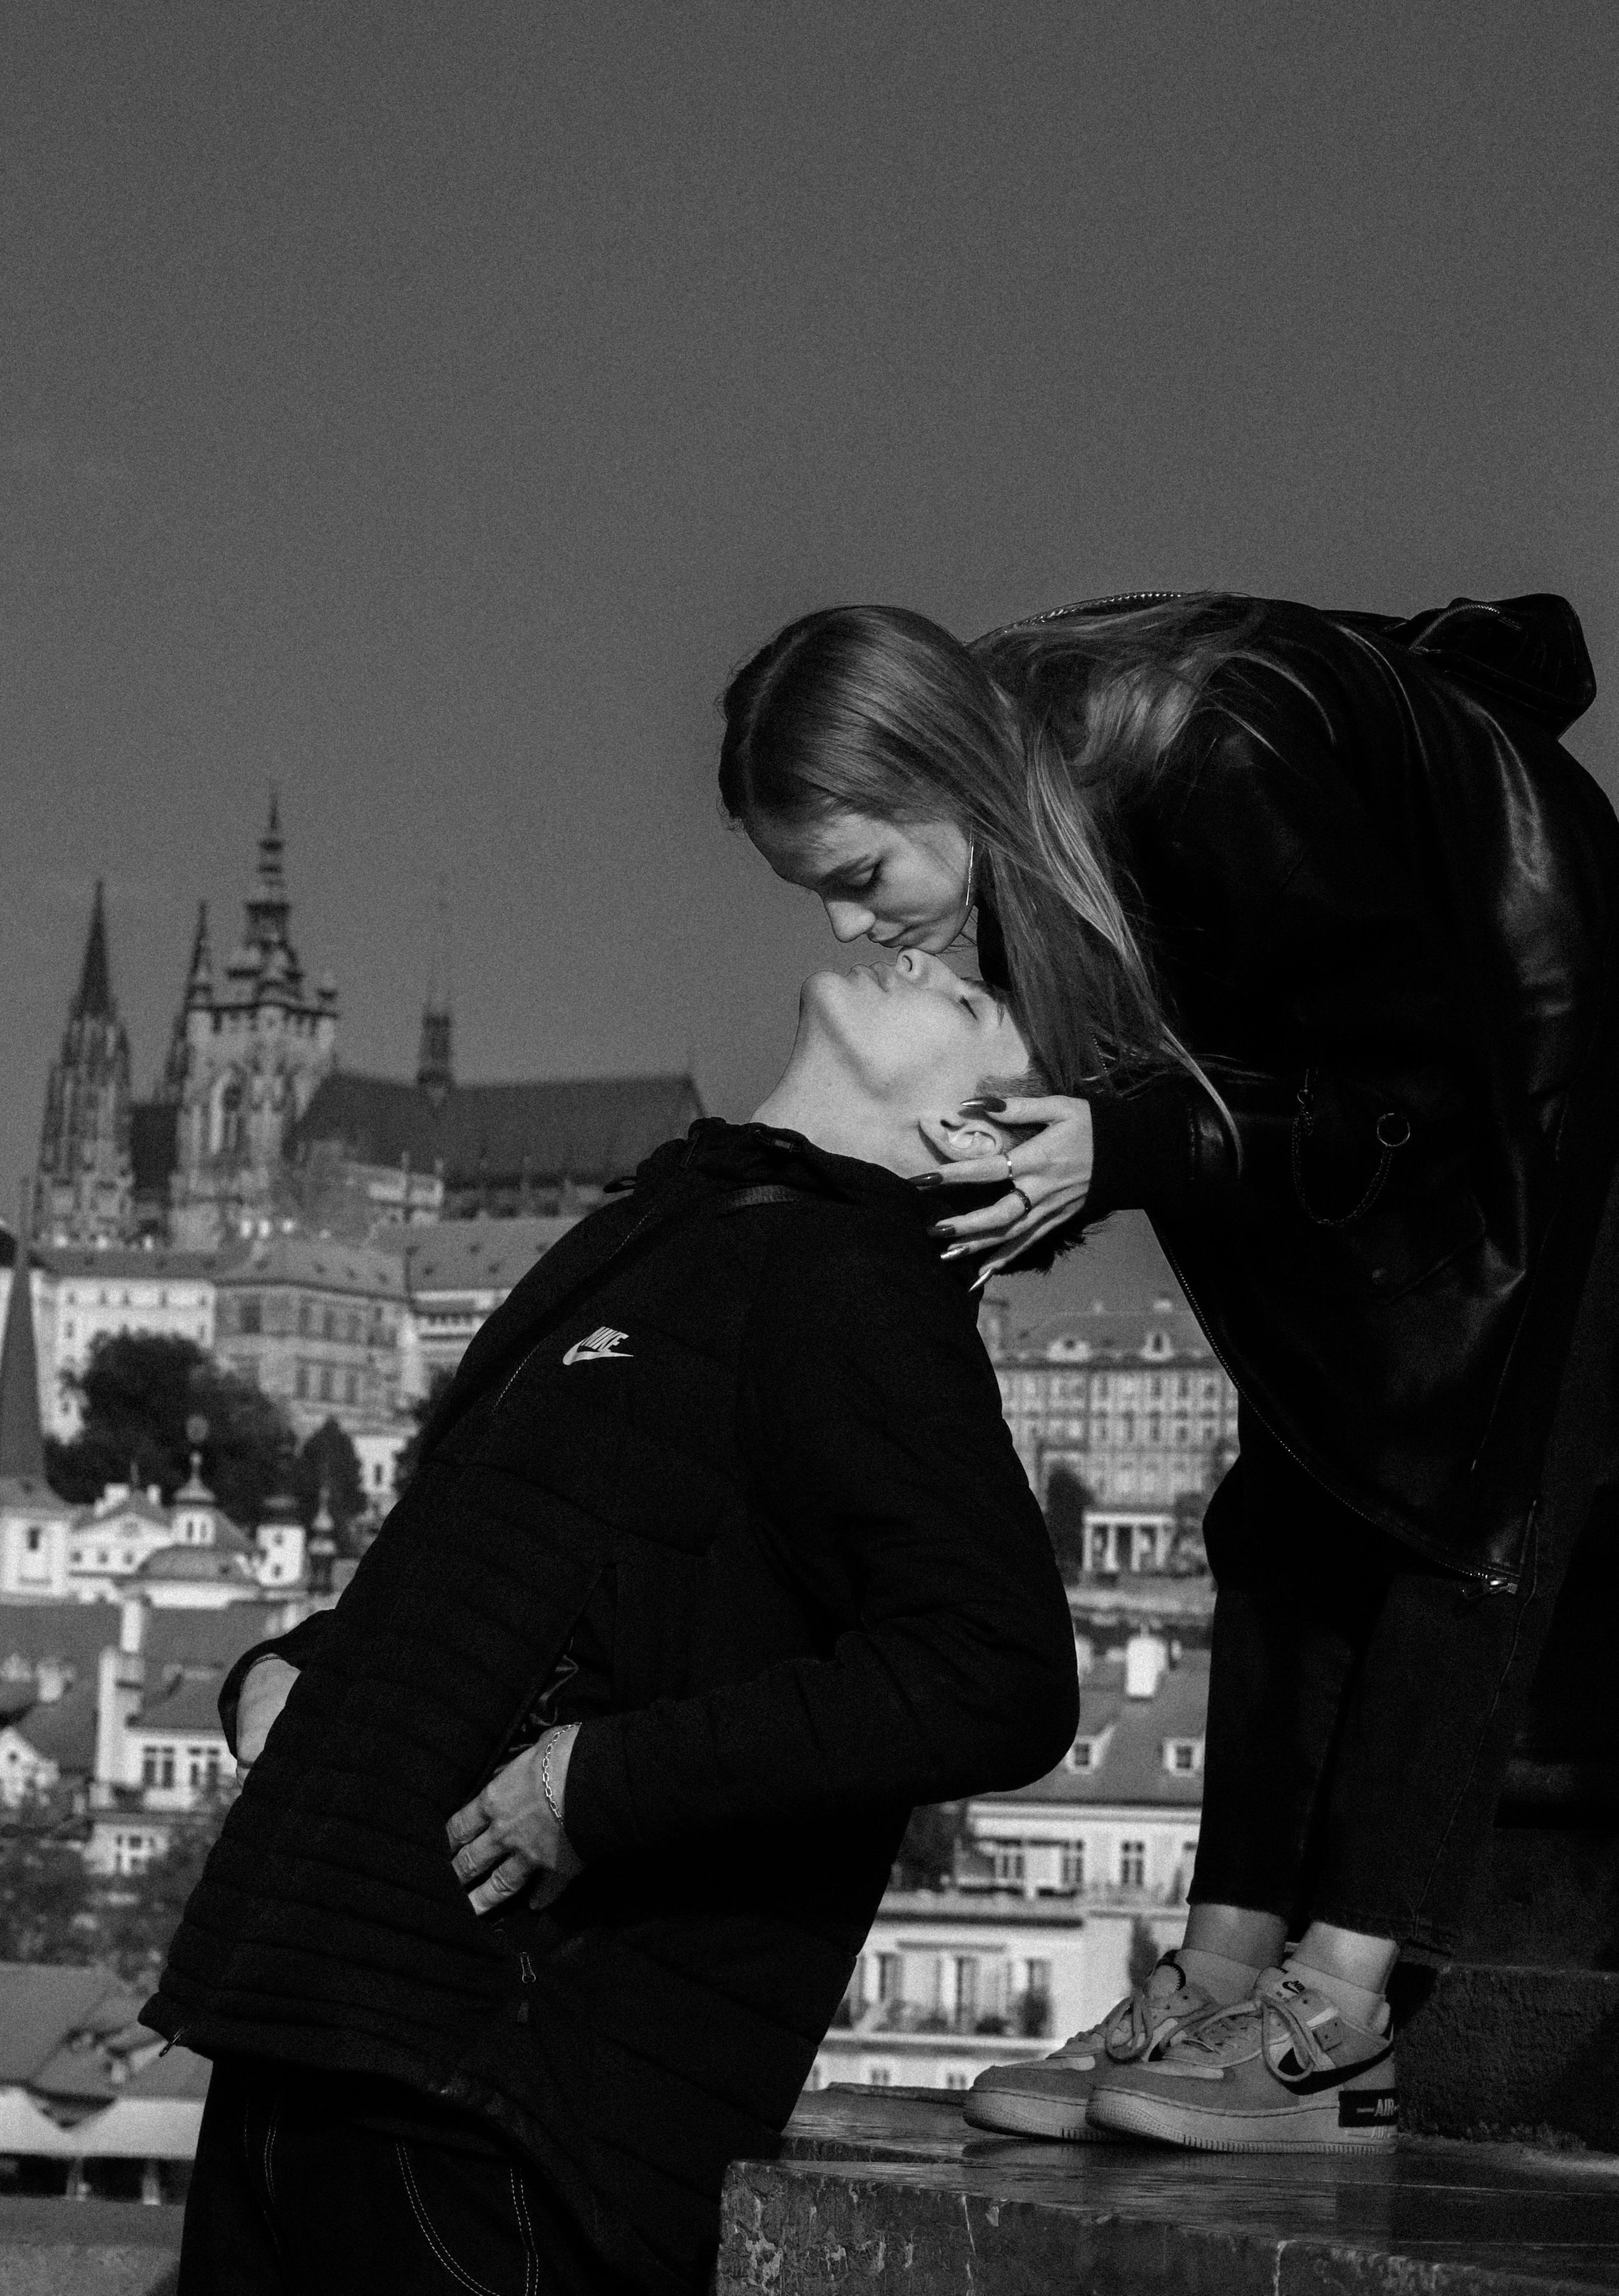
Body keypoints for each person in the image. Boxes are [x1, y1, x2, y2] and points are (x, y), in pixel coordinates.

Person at [721, 589, 1619, 2152]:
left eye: (858, 879)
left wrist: (1126, 1142)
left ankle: (1337, 2022)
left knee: (1455, 1495)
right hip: (1385, 1091)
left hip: (1534, 1033)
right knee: (1279, 1508)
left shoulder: (1207, 761)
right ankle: (1215, 1983)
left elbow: (1402, 1081)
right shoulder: (1036, 821)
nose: (848, 929)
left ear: (946, 774)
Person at [146, 949, 1079, 2295]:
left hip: (493, 2094)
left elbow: (995, 1671)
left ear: (968, 1130)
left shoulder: (856, 1278)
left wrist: (599, 1783)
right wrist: (296, 1669)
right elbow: (527, 1572)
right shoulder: (665, 1224)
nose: (924, 954)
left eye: (971, 1003)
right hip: (300, 2025)